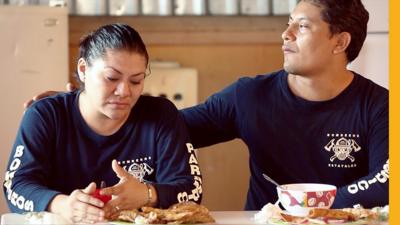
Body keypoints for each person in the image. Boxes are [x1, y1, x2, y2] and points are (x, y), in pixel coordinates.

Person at [22, 0, 389, 211]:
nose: (285, 34)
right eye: (288, 22)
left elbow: (388, 183)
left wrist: (312, 204)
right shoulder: (251, 96)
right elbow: (164, 129)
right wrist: (81, 105)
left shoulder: (379, 105)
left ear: (340, 42)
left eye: (302, 27)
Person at [3, 23, 202, 223]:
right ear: (83, 70)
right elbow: (16, 185)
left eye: (136, 81)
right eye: (111, 78)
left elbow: (192, 189)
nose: (124, 91)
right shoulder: (46, 115)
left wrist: (147, 194)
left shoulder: (161, 115)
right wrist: (62, 205)